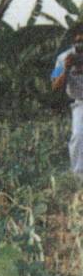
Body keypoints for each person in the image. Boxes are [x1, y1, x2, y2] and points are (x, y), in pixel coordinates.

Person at [51, 23, 83, 177]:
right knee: (78, 136)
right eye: (78, 42)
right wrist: (66, 68)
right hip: (80, 102)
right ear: (73, 42)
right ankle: (77, 175)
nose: (80, 46)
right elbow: (55, 85)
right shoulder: (63, 58)